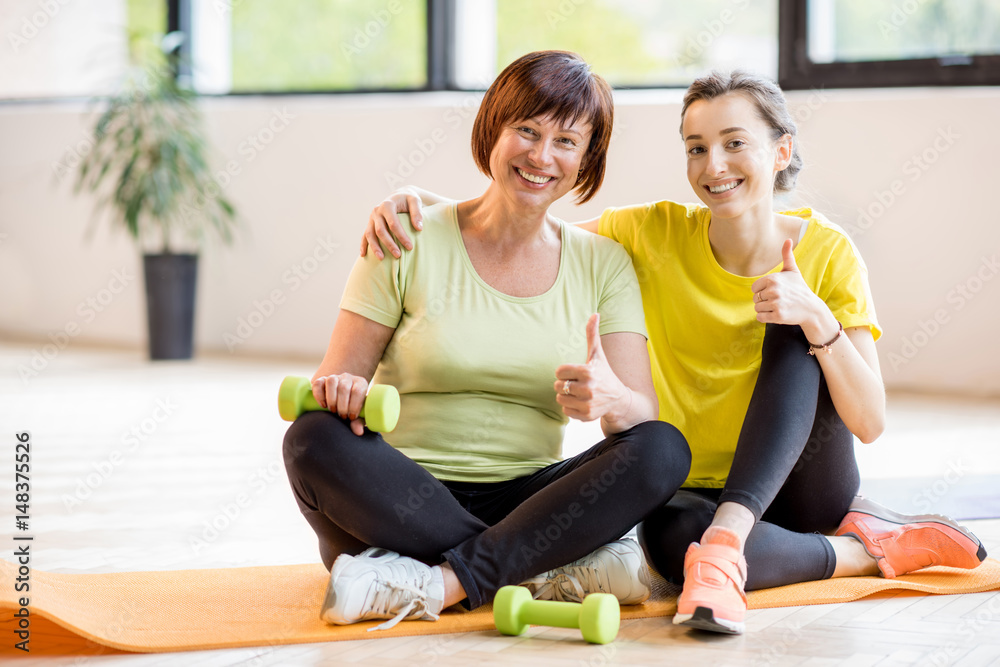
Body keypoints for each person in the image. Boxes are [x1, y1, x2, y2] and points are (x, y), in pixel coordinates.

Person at [360, 69, 987, 635]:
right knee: (669, 541)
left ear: (781, 152)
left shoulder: (827, 252)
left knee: (792, 323)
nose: (714, 164)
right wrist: (422, 205)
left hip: (801, 491)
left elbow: (869, 423)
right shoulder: (651, 233)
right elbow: (528, 220)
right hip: (692, 493)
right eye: (697, 148)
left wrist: (818, 319)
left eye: (735, 142)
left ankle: (729, 544)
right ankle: (859, 551)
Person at [282, 50, 692, 632]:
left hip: (528, 502)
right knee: (312, 438)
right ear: (492, 128)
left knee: (662, 447)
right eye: (526, 130)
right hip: (400, 496)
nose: (541, 156)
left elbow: (639, 415)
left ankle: (434, 580)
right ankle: (546, 572)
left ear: (587, 159)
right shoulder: (408, 234)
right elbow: (334, 380)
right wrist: (343, 389)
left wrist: (611, 398)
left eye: (565, 141)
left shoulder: (604, 264)